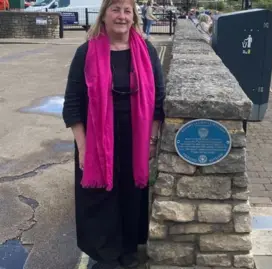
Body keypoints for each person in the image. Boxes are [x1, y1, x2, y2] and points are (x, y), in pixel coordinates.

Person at [62, 0, 165, 268]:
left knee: (132, 193)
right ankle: (105, 254)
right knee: (100, 197)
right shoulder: (86, 52)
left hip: (137, 137)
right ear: (104, 16)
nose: (121, 16)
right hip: (96, 139)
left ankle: (129, 249)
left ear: (134, 18)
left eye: (127, 11)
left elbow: (159, 102)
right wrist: (83, 147)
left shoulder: (147, 51)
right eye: (115, 9)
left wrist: (152, 139)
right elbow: (72, 102)